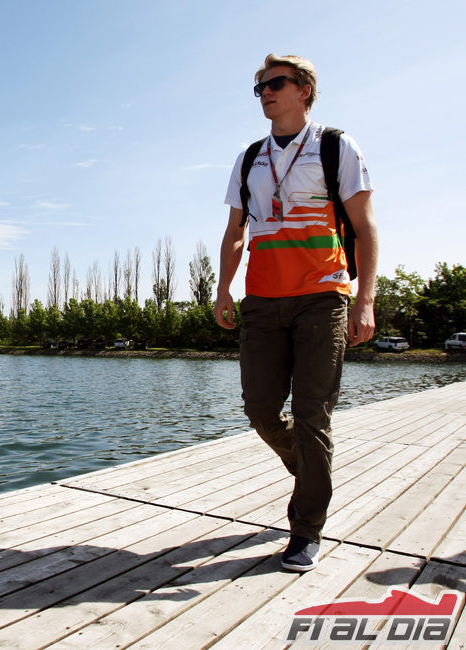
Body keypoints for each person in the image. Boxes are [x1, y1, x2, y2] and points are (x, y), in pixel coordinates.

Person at [213, 54, 379, 572]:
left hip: (322, 294)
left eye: (275, 83)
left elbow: (366, 225)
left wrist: (366, 298)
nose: (264, 92)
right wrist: (223, 288)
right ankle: (306, 468)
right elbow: (237, 230)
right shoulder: (249, 158)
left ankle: (306, 528)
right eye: (258, 86)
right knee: (261, 410)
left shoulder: (335, 146)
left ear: (304, 89)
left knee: (312, 415)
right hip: (262, 298)